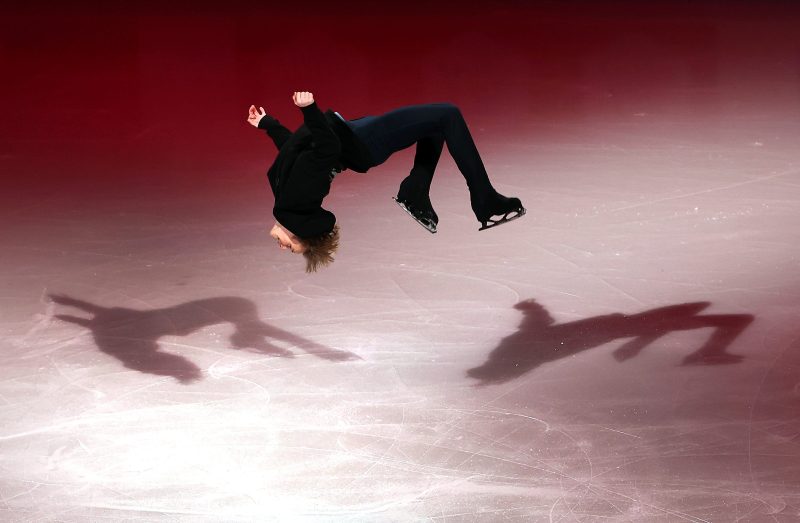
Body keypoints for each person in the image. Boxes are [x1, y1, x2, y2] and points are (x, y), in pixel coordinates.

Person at [247, 91, 525, 272]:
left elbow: (294, 151)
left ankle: (416, 192)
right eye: (292, 247)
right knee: (447, 115)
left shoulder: (286, 194)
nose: (283, 248)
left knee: (433, 124)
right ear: (301, 230)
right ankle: (484, 200)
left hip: (358, 134)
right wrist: (310, 110)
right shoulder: (299, 197)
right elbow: (327, 148)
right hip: (366, 141)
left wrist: (269, 125)